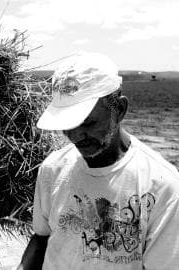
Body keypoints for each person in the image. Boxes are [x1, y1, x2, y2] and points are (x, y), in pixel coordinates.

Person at [18, 52, 179, 270]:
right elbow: (41, 239)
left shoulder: (162, 185)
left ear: (119, 110)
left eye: (88, 123)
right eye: (67, 124)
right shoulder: (53, 169)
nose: (75, 136)